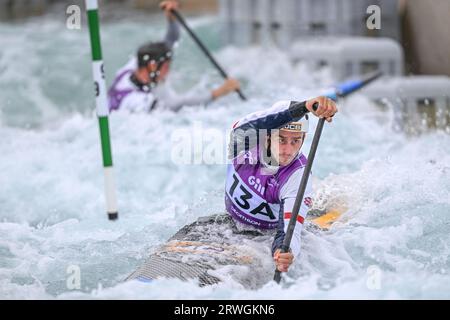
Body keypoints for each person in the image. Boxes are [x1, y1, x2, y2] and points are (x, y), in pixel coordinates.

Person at [225, 97, 337, 273]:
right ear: (268, 135)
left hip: (265, 237)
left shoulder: (298, 175)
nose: (287, 150)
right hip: (229, 224)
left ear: (303, 139)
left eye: (295, 141)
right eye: (282, 140)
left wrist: (284, 251)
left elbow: (288, 232)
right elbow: (256, 122)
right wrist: (305, 107)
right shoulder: (243, 144)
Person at [107, 0, 240, 113]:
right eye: (166, 67)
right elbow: (176, 106)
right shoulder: (136, 100)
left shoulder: (136, 66)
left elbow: (171, 39)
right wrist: (217, 93)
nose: (168, 72)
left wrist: (171, 18)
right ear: (153, 66)